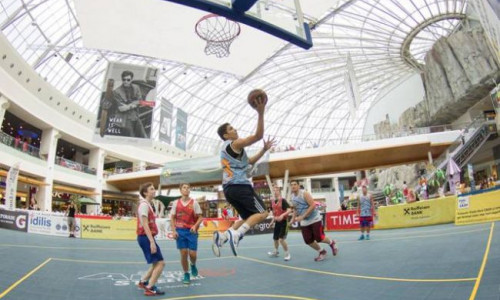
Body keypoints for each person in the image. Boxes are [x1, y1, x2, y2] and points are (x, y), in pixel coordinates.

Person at [212, 92, 275, 257]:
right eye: (231, 129)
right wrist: (261, 113)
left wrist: (263, 149)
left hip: (229, 189)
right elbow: (258, 136)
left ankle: (223, 236)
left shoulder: (230, 151)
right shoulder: (234, 143)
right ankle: (237, 234)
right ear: (226, 135)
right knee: (263, 213)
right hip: (240, 186)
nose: (235, 129)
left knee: (247, 217)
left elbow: (250, 162)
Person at [290, 180, 338, 261]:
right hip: (305, 221)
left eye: (295, 184)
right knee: (308, 241)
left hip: (314, 218)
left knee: (319, 238)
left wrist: (302, 216)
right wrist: (293, 218)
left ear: (298, 186)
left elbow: (313, 205)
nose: (293, 186)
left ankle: (331, 243)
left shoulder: (304, 194)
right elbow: (295, 208)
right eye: (291, 185)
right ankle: (322, 251)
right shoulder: (292, 197)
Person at [136, 182, 165, 296]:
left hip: (145, 237)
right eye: (151, 189)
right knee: (161, 263)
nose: (154, 191)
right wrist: (152, 241)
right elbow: (144, 224)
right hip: (145, 237)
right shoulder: (144, 205)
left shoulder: (148, 204)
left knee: (156, 262)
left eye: (154, 189)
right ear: (145, 192)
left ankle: (143, 282)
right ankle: (150, 287)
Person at [170, 183, 203, 285]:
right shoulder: (176, 203)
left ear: (190, 190)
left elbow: (200, 217)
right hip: (180, 231)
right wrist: (174, 231)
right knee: (183, 253)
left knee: (192, 254)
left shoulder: (194, 203)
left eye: (188, 188)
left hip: (191, 231)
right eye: (184, 187)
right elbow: (172, 217)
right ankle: (186, 273)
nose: (186, 189)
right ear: (180, 190)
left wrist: (195, 226)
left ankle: (193, 264)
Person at [113, 70, 147, 138]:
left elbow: (140, 101)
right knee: (131, 138)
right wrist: (133, 104)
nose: (126, 81)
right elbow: (121, 108)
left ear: (131, 79)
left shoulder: (136, 87)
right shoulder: (116, 91)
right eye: (124, 79)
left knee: (144, 136)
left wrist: (128, 106)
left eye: (128, 80)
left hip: (135, 116)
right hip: (125, 119)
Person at [267, 184, 291, 261]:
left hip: (284, 222)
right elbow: (275, 214)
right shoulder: (272, 202)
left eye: (276, 190)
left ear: (279, 192)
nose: (275, 192)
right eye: (273, 190)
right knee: (275, 239)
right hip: (277, 222)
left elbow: (289, 210)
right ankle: (276, 252)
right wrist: (272, 221)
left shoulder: (283, 200)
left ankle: (287, 254)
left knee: (281, 239)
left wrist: (282, 215)